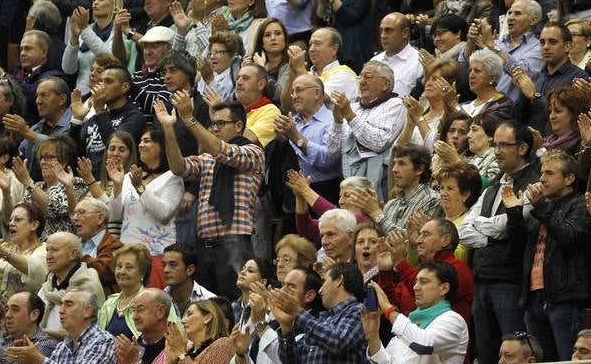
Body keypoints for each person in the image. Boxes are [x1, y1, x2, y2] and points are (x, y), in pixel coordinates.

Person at [159, 95, 265, 299]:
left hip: (235, 242)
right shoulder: (208, 159)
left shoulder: (253, 152)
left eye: (221, 123)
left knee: (236, 301)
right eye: (213, 124)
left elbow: (221, 150)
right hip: (204, 245)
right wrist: (168, 129)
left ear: (238, 125)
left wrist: (190, 119)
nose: (215, 128)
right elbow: (178, 166)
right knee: (207, 305)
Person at [458, 119, 541, 364]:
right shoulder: (494, 185)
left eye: (504, 145)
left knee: (512, 355)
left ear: (523, 148)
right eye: (495, 145)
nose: (497, 151)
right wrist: (491, 230)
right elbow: (463, 229)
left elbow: (511, 223)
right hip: (482, 277)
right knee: (486, 355)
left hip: (510, 279)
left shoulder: (534, 182)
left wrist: (483, 225)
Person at [504, 151, 591, 363]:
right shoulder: (544, 207)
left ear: (569, 179)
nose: (541, 178)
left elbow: (570, 237)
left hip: (564, 298)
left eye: (550, 173)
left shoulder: (580, 204)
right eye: (541, 173)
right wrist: (515, 212)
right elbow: (519, 248)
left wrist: (541, 208)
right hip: (534, 296)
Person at [107, 119, 185, 288]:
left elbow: (164, 212)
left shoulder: (172, 178)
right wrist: (118, 185)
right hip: (127, 252)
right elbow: (114, 215)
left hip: (156, 254)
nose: (141, 145)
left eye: (147, 141)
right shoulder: (130, 177)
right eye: (140, 141)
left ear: (162, 146)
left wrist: (140, 188)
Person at [326, 61, 406, 197]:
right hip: (348, 188)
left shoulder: (396, 105)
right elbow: (332, 152)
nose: (362, 82)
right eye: (360, 77)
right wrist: (338, 122)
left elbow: (379, 142)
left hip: (380, 188)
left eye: (367, 77)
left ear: (385, 84)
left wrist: (349, 116)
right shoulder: (353, 106)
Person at [274, 73, 341, 204]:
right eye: (292, 92)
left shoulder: (333, 121)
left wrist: (296, 138)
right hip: (291, 194)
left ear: (317, 93)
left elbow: (328, 159)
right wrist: (282, 141)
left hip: (324, 191)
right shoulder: (292, 122)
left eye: (299, 90)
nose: (294, 96)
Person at [511, 23, 589, 134]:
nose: (546, 47)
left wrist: (534, 95)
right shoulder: (535, 77)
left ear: (567, 46)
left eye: (552, 42)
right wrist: (523, 92)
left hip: (559, 146)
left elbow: (568, 119)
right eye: (542, 42)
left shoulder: (579, 78)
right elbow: (516, 118)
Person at [72, 63, 146, 179]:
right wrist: (77, 120)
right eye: (100, 81)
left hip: (116, 181)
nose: (102, 86)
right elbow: (74, 152)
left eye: (108, 81)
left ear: (125, 87)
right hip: (90, 182)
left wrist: (100, 110)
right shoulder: (94, 118)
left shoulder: (134, 116)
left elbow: (115, 147)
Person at [62, 0, 129, 93]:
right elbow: (68, 69)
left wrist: (84, 30)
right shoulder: (86, 30)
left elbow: (111, 60)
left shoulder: (120, 30)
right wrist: (74, 38)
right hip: (81, 96)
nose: (95, 2)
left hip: (107, 95)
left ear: (114, 4)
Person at [0, 202, 47, 331]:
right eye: (10, 220)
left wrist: (0, 250)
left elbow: (36, 272)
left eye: (17, 220)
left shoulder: (43, 251)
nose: (11, 223)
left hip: (21, 325)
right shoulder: (3, 247)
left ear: (34, 225)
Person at [38, 232, 105, 332]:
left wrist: (55, 336)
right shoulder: (47, 286)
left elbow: (93, 329)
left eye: (55, 250)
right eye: (47, 250)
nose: (48, 256)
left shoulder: (88, 285)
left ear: (73, 254)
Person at [14, 75, 72, 176]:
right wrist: (14, 137)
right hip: (35, 186)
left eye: (44, 95)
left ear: (62, 99)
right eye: (37, 96)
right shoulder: (37, 127)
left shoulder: (74, 123)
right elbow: (18, 156)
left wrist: (26, 132)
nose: (38, 101)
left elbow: (63, 148)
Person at [72, 196, 122, 297]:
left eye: (81, 212)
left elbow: (102, 272)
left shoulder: (115, 246)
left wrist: (73, 255)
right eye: (74, 213)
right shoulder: (74, 243)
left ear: (100, 218)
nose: (75, 218)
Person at [373, 13, 423, 96]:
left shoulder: (419, 62)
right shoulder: (375, 61)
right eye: (381, 31)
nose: (383, 36)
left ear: (405, 33)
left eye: (388, 30)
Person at [162, 242, 216, 316]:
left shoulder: (209, 301)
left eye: (173, 265)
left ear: (190, 270)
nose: (166, 270)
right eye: (164, 265)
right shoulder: (158, 301)